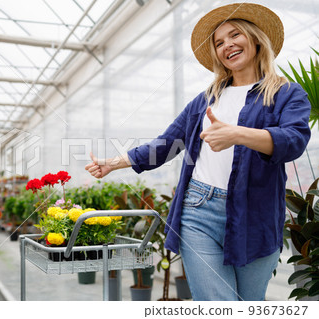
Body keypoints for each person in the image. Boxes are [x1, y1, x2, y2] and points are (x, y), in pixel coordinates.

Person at [85, 3, 311, 301]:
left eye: (235, 35)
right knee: (217, 304)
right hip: (198, 210)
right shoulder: (206, 99)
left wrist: (238, 134)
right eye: (219, 42)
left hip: (256, 215)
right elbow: (166, 145)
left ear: (255, 39)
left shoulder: (287, 94)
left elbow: (294, 140)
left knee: (248, 303)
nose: (227, 45)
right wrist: (113, 163)